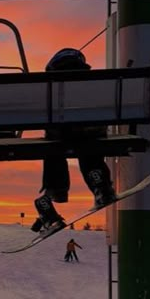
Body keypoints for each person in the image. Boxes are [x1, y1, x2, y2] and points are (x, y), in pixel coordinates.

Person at [32, 48, 117, 233]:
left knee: (53, 146)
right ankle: (99, 183)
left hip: (60, 134)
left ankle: (54, 191)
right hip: (91, 132)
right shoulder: (95, 83)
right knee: (88, 145)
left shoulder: (49, 85)